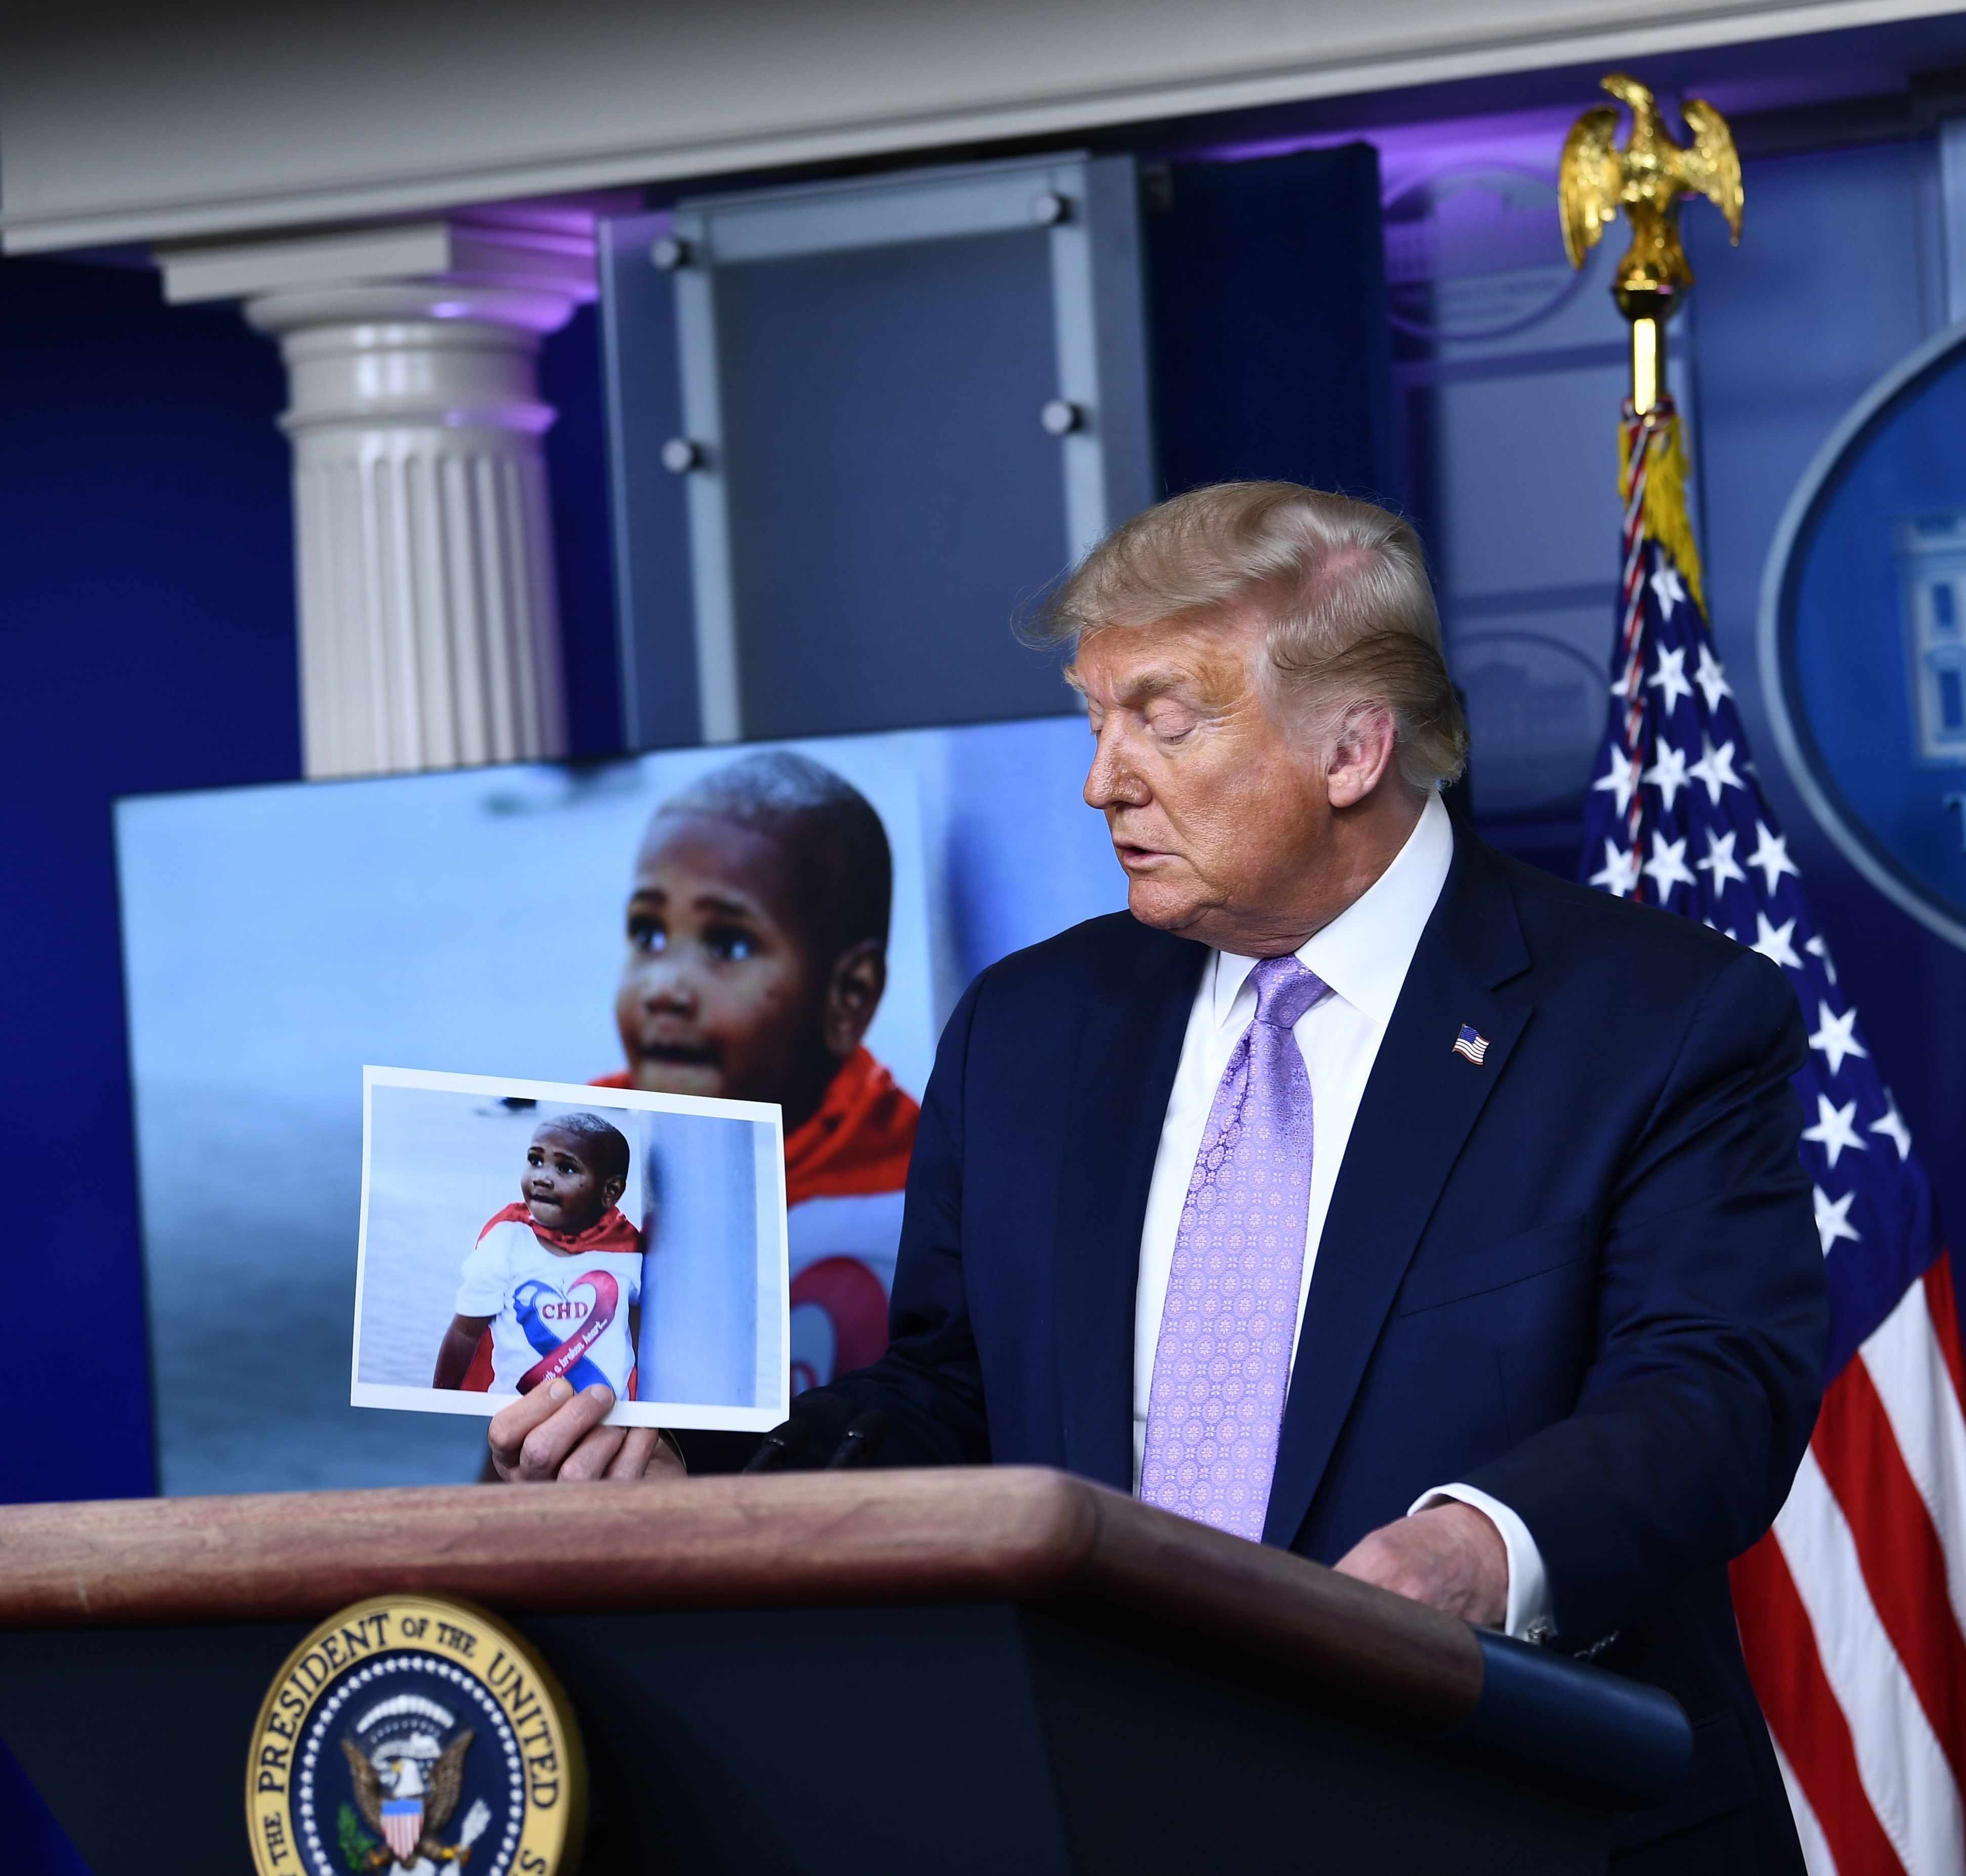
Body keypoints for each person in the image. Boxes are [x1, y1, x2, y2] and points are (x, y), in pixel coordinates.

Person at [494, 482, 1826, 1872]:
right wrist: (717, 1480)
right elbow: (954, 1388)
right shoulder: (1032, 1027)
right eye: (1095, 716)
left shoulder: (1655, 1020)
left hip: (1511, 1813)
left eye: (1164, 718)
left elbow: (1712, 1382)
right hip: (1101, 1811)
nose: (1104, 777)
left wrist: (1478, 1551)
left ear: (1353, 747)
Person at [595, 750, 920, 1397]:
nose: (664, 988)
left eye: (727, 945)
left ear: (847, 997)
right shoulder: (589, 1162)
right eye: (648, 933)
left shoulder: (919, 1190)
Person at [434, 1113, 644, 1398]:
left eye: (566, 1168)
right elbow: (465, 1333)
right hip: (514, 1415)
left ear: (610, 1191)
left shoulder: (629, 1250)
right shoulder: (506, 1239)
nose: (542, 1178)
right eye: (535, 1160)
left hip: (604, 1418)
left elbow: (642, 1342)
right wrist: (441, 1401)